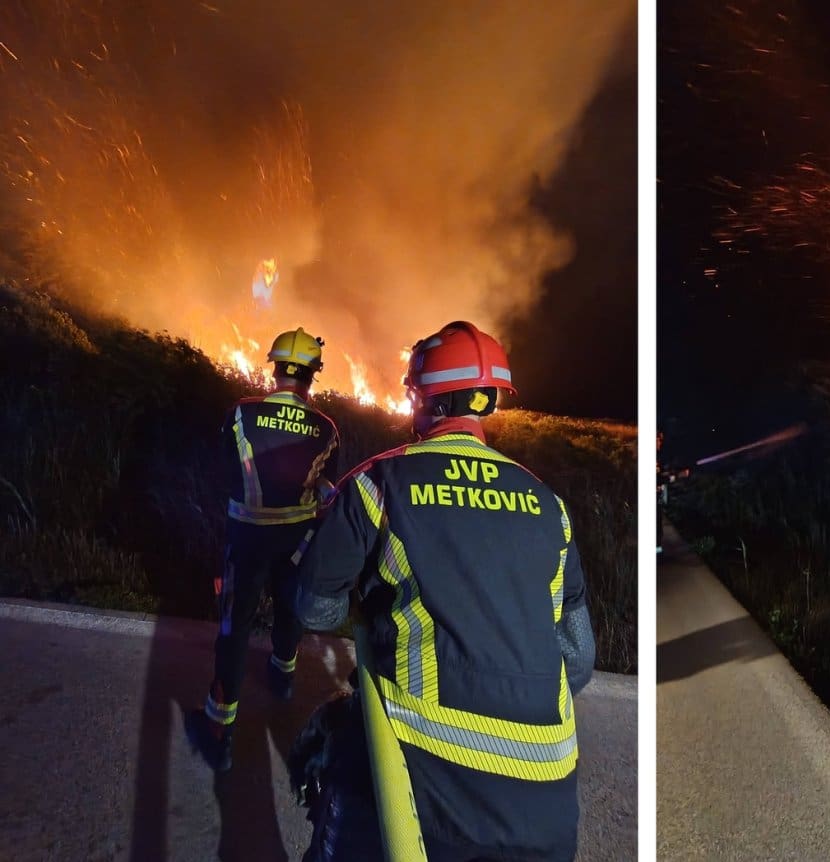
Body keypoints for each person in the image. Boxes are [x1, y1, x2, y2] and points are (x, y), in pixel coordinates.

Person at [294, 320, 596, 861]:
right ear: (488, 405)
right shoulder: (549, 506)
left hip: (419, 801)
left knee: (338, 750)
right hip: (549, 814)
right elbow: (577, 659)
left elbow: (315, 609)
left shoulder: (377, 484)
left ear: (425, 401)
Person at [185, 326, 340, 772]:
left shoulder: (240, 413)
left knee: (235, 625)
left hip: (246, 537)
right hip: (297, 538)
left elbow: (221, 467)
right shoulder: (326, 428)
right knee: (291, 608)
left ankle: (219, 732)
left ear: (274, 368)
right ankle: (283, 676)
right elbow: (329, 489)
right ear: (313, 374)